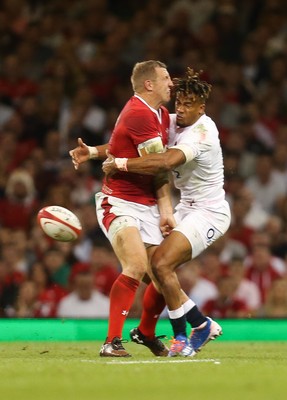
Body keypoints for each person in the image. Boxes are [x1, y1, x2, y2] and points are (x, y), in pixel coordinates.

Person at [103, 67, 231, 356]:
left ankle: (186, 334)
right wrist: (97, 154)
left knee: (160, 265)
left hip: (210, 212)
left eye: (188, 105)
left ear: (202, 108)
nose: (181, 109)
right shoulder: (174, 122)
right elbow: (132, 140)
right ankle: (165, 329)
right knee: (158, 271)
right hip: (187, 207)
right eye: (179, 103)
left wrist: (120, 164)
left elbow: (164, 162)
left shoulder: (202, 132)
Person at [70, 60, 175, 357]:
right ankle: (111, 342)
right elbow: (158, 167)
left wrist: (92, 151)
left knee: (162, 273)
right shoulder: (140, 113)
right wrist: (168, 210)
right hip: (119, 202)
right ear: (149, 84)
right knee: (137, 266)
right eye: (166, 78)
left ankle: (146, 332)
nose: (172, 83)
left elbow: (120, 144)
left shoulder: (157, 112)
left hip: (146, 204)